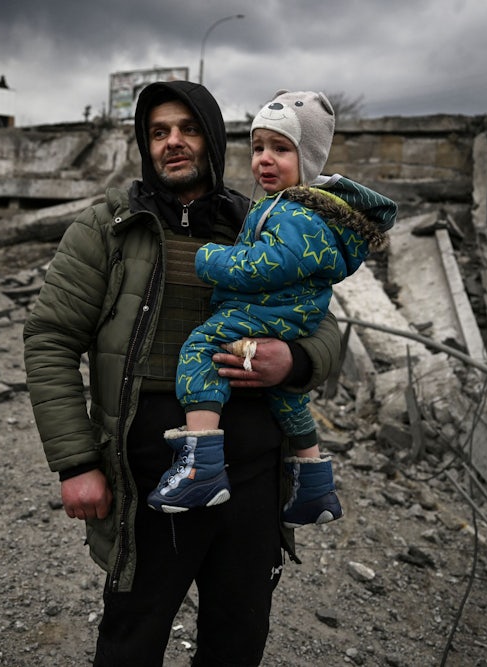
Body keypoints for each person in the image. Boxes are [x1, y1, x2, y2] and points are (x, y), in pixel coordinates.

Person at [23, 81, 342, 666]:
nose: (173, 142)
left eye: (188, 129)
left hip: (252, 478)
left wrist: (293, 361)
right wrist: (76, 463)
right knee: (132, 637)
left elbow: (323, 326)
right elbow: (50, 339)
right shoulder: (107, 228)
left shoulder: (263, 222)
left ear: (214, 140)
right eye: (159, 132)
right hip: (149, 479)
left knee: (238, 636)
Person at [147, 91, 397, 529]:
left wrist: (211, 259)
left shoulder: (295, 212)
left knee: (201, 347)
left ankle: (200, 465)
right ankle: (315, 485)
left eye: (281, 149)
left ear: (310, 158)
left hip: (269, 309)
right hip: (289, 314)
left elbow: (271, 265)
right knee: (287, 397)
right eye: (258, 147)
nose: (264, 159)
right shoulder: (289, 206)